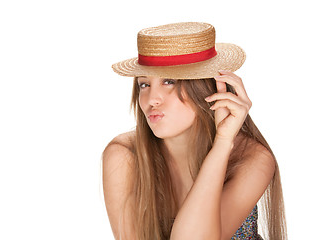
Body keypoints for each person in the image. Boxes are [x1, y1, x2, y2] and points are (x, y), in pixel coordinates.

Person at [102, 22, 287, 240]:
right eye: (144, 85)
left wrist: (223, 143)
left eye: (169, 81)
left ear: (203, 87)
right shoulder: (124, 156)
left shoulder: (252, 159)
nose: (152, 100)